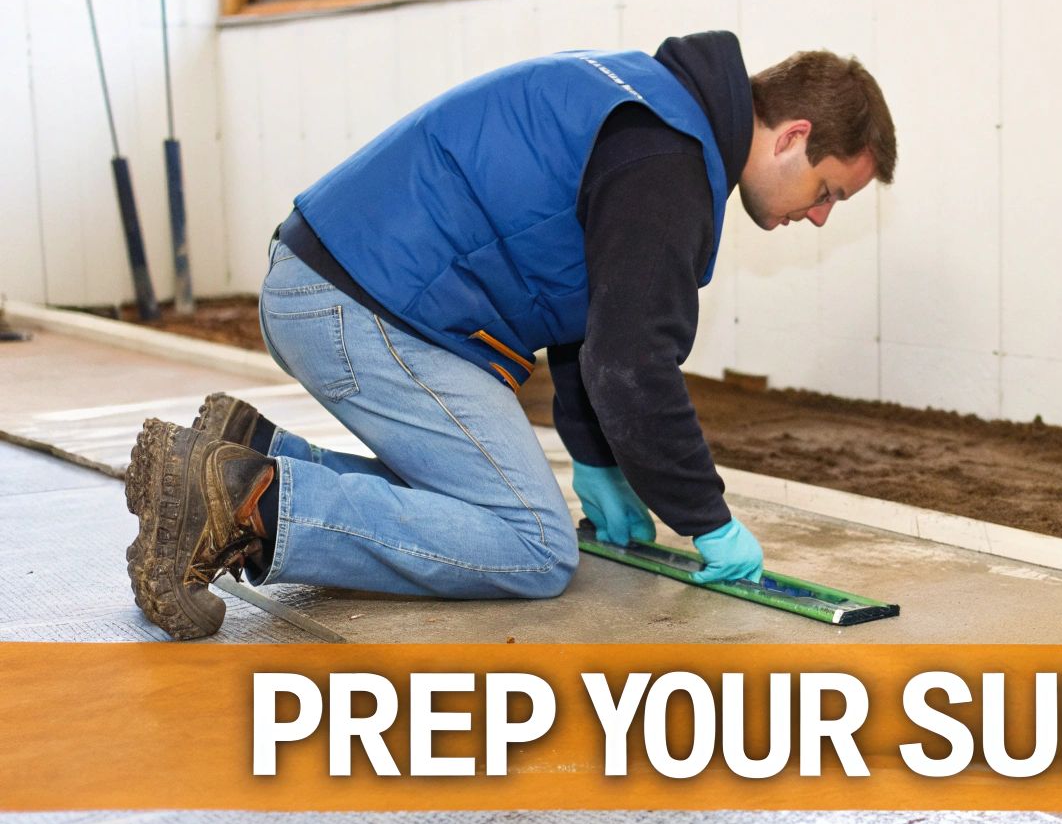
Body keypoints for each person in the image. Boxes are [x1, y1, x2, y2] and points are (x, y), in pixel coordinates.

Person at [122, 31, 897, 639]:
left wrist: (597, 462)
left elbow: (590, 322)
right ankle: (242, 502)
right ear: (794, 134)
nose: (820, 216)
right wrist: (708, 520)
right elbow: (633, 367)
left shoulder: (651, 107)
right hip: (366, 305)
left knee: (488, 505)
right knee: (532, 544)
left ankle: (254, 451)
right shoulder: (671, 160)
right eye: (828, 191)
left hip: (338, 280)